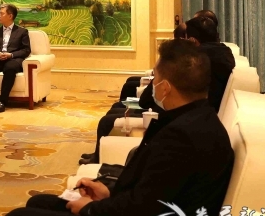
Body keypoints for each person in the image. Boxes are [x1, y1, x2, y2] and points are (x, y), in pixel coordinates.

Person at [2, 39, 234, 216]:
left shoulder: (181, 137)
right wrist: (109, 192)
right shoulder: (197, 119)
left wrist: (90, 208)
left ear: (165, 88)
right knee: (38, 203)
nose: (152, 84)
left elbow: (143, 209)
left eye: (155, 78)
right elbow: (154, 191)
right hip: (149, 214)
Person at [80, 15, 233, 165]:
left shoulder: (194, 64)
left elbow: (146, 101)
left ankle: (98, 157)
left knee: (108, 120)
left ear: (192, 41)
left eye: (185, 39)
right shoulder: (220, 56)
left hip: (168, 113)